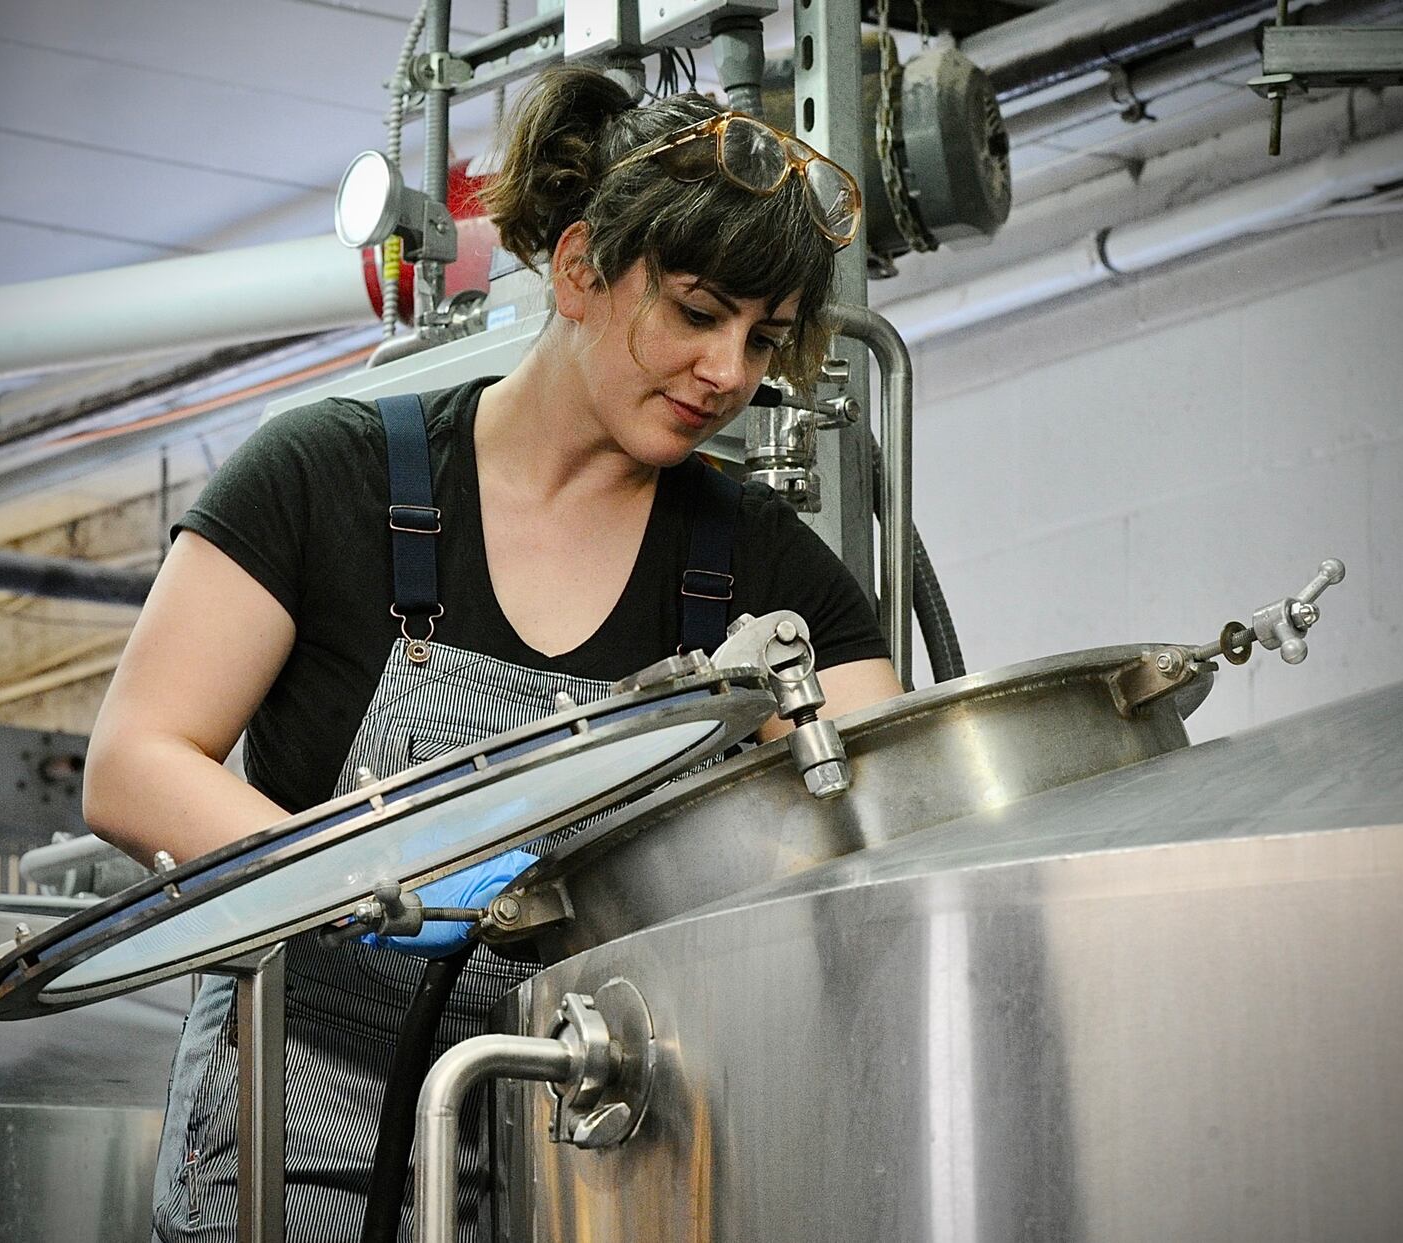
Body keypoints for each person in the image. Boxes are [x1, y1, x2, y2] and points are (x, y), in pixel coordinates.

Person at [84, 65, 901, 1243]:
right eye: (694, 309)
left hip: (599, 1156)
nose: (730, 374)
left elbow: (881, 829)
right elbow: (134, 763)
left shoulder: (771, 573)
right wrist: (365, 883)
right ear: (578, 269)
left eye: (762, 337)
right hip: (298, 1141)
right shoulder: (326, 478)